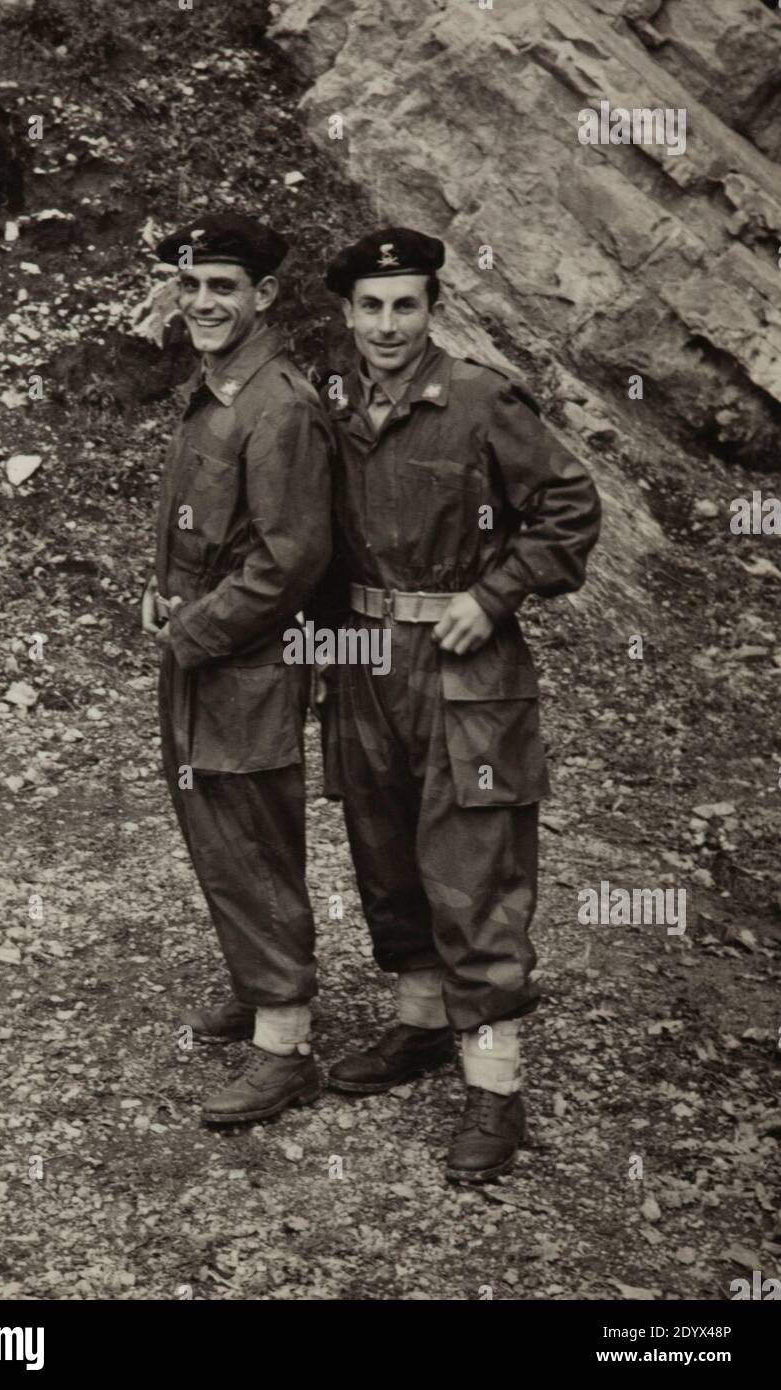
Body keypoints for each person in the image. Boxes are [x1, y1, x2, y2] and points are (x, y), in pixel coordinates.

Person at [314, 226, 601, 1181]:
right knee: (384, 844)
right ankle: (422, 1025)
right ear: (348, 315)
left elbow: (570, 504)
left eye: (406, 305)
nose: (387, 324)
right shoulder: (334, 400)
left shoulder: (479, 398)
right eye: (371, 306)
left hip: (466, 666)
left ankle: (497, 1087)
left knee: (473, 860)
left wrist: (495, 593)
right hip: (363, 659)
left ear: (434, 309)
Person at [143, 212, 331, 1125]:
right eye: (192, 286)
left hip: (245, 663)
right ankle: (262, 989)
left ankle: (286, 1045)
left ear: (264, 296)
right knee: (216, 828)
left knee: (252, 838)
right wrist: (159, 589)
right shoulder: (218, 383)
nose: (204, 302)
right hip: (206, 650)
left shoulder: (279, 402)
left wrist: (193, 631)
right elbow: (204, 524)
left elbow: (290, 560)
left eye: (224, 287)